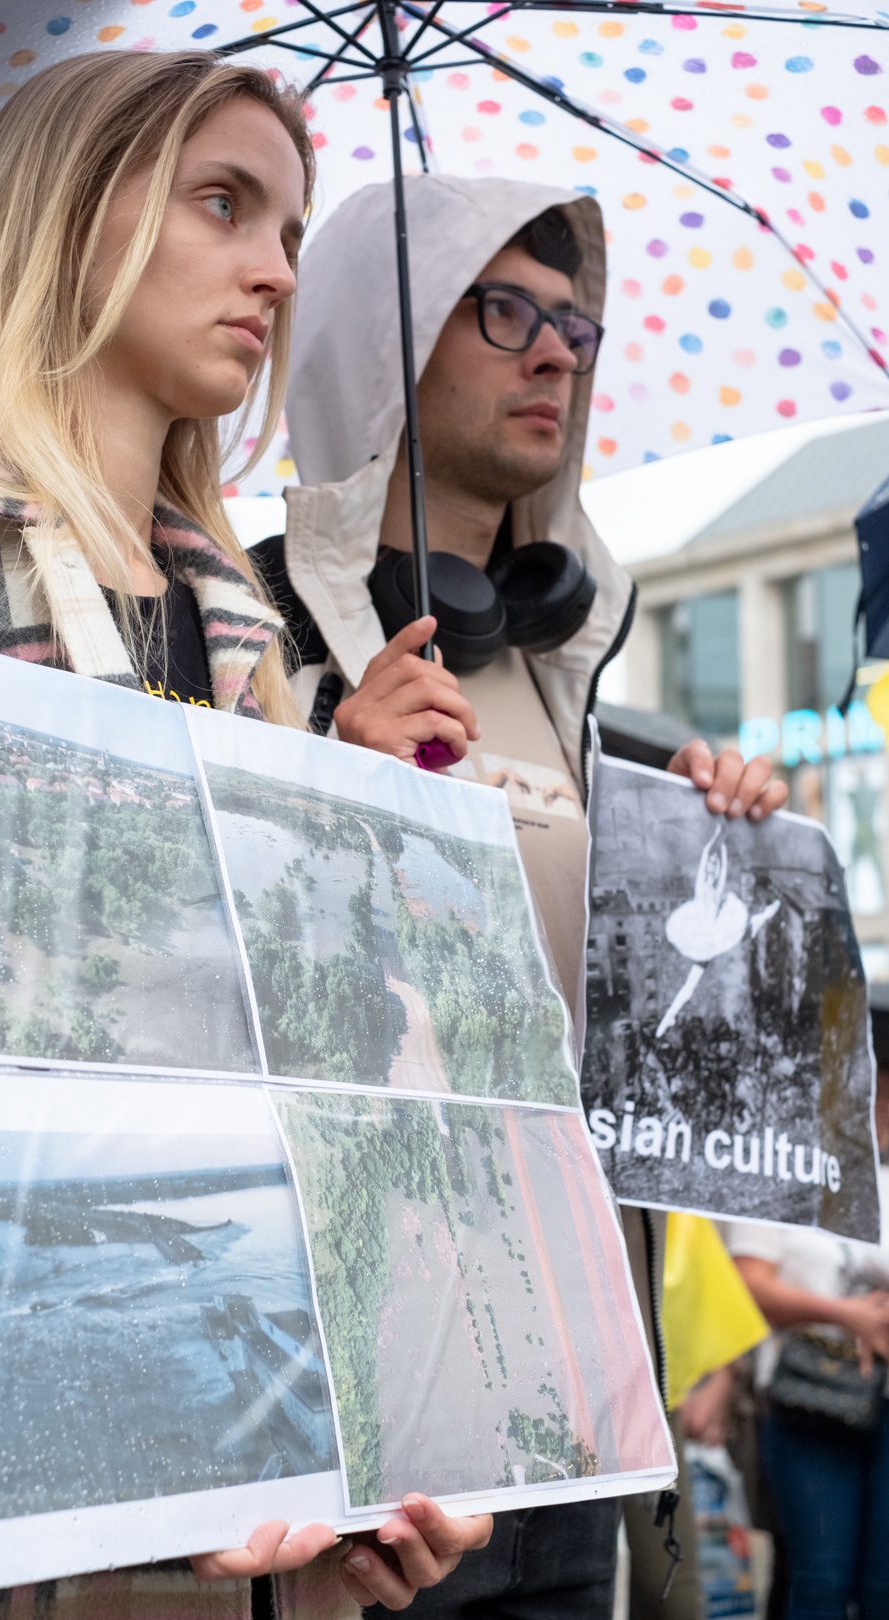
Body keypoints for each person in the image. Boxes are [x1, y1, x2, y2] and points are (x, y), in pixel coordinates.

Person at [0, 52, 490, 1619]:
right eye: (223, 201)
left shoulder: (246, 631)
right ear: (62, 217)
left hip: (252, 1508)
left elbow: (297, 1077)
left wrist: (357, 820)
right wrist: (128, 1397)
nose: (274, 267)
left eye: (295, 229)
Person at [251, 174, 787, 1619]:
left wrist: (715, 842)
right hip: (364, 1404)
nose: (555, 352)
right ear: (380, 344)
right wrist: (317, 772)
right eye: (502, 313)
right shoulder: (250, 638)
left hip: (576, 1382)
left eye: (573, 325)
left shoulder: (586, 685)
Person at [728, 1040, 889, 1620]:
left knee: (882, 1587)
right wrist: (850, 1316)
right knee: (818, 1576)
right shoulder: (782, 1160)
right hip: (812, 1393)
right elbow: (747, 1284)